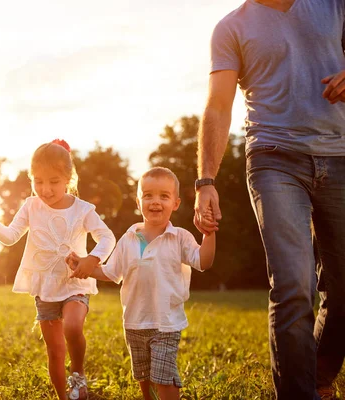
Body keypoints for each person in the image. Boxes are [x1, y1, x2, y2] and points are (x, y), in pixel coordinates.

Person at [194, 1, 345, 398]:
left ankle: (318, 376)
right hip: (274, 158)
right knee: (294, 283)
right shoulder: (231, 28)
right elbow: (218, 106)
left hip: (340, 153)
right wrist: (205, 180)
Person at [0, 139, 116, 400]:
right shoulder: (31, 206)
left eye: (53, 181)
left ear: (68, 178)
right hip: (44, 288)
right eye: (38, 181)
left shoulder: (83, 210)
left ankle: (78, 374)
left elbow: (107, 237)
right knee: (54, 350)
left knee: (73, 327)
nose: (45, 189)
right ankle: (63, 398)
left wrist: (92, 259)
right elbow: (10, 236)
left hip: (74, 283)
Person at [66, 167, 216, 400]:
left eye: (163, 196)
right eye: (148, 195)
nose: (155, 201)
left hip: (166, 323)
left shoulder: (179, 237)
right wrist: (84, 266)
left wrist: (209, 234)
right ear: (138, 201)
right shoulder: (129, 237)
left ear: (175, 203)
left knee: (164, 379)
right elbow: (110, 271)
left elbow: (203, 261)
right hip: (134, 322)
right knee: (144, 377)